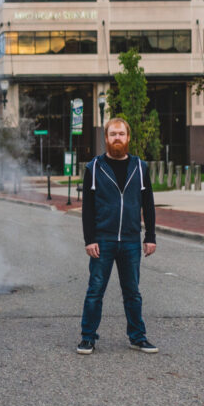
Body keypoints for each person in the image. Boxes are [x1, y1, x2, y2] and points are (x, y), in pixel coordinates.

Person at [77, 117, 158, 355]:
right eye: (113, 134)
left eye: (121, 134)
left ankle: (137, 337)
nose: (117, 138)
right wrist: (89, 239)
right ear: (106, 138)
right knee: (95, 291)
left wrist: (150, 236)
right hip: (103, 240)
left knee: (132, 292)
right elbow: (88, 209)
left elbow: (149, 204)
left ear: (128, 137)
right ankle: (87, 337)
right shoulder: (94, 168)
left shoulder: (140, 167)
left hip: (132, 241)